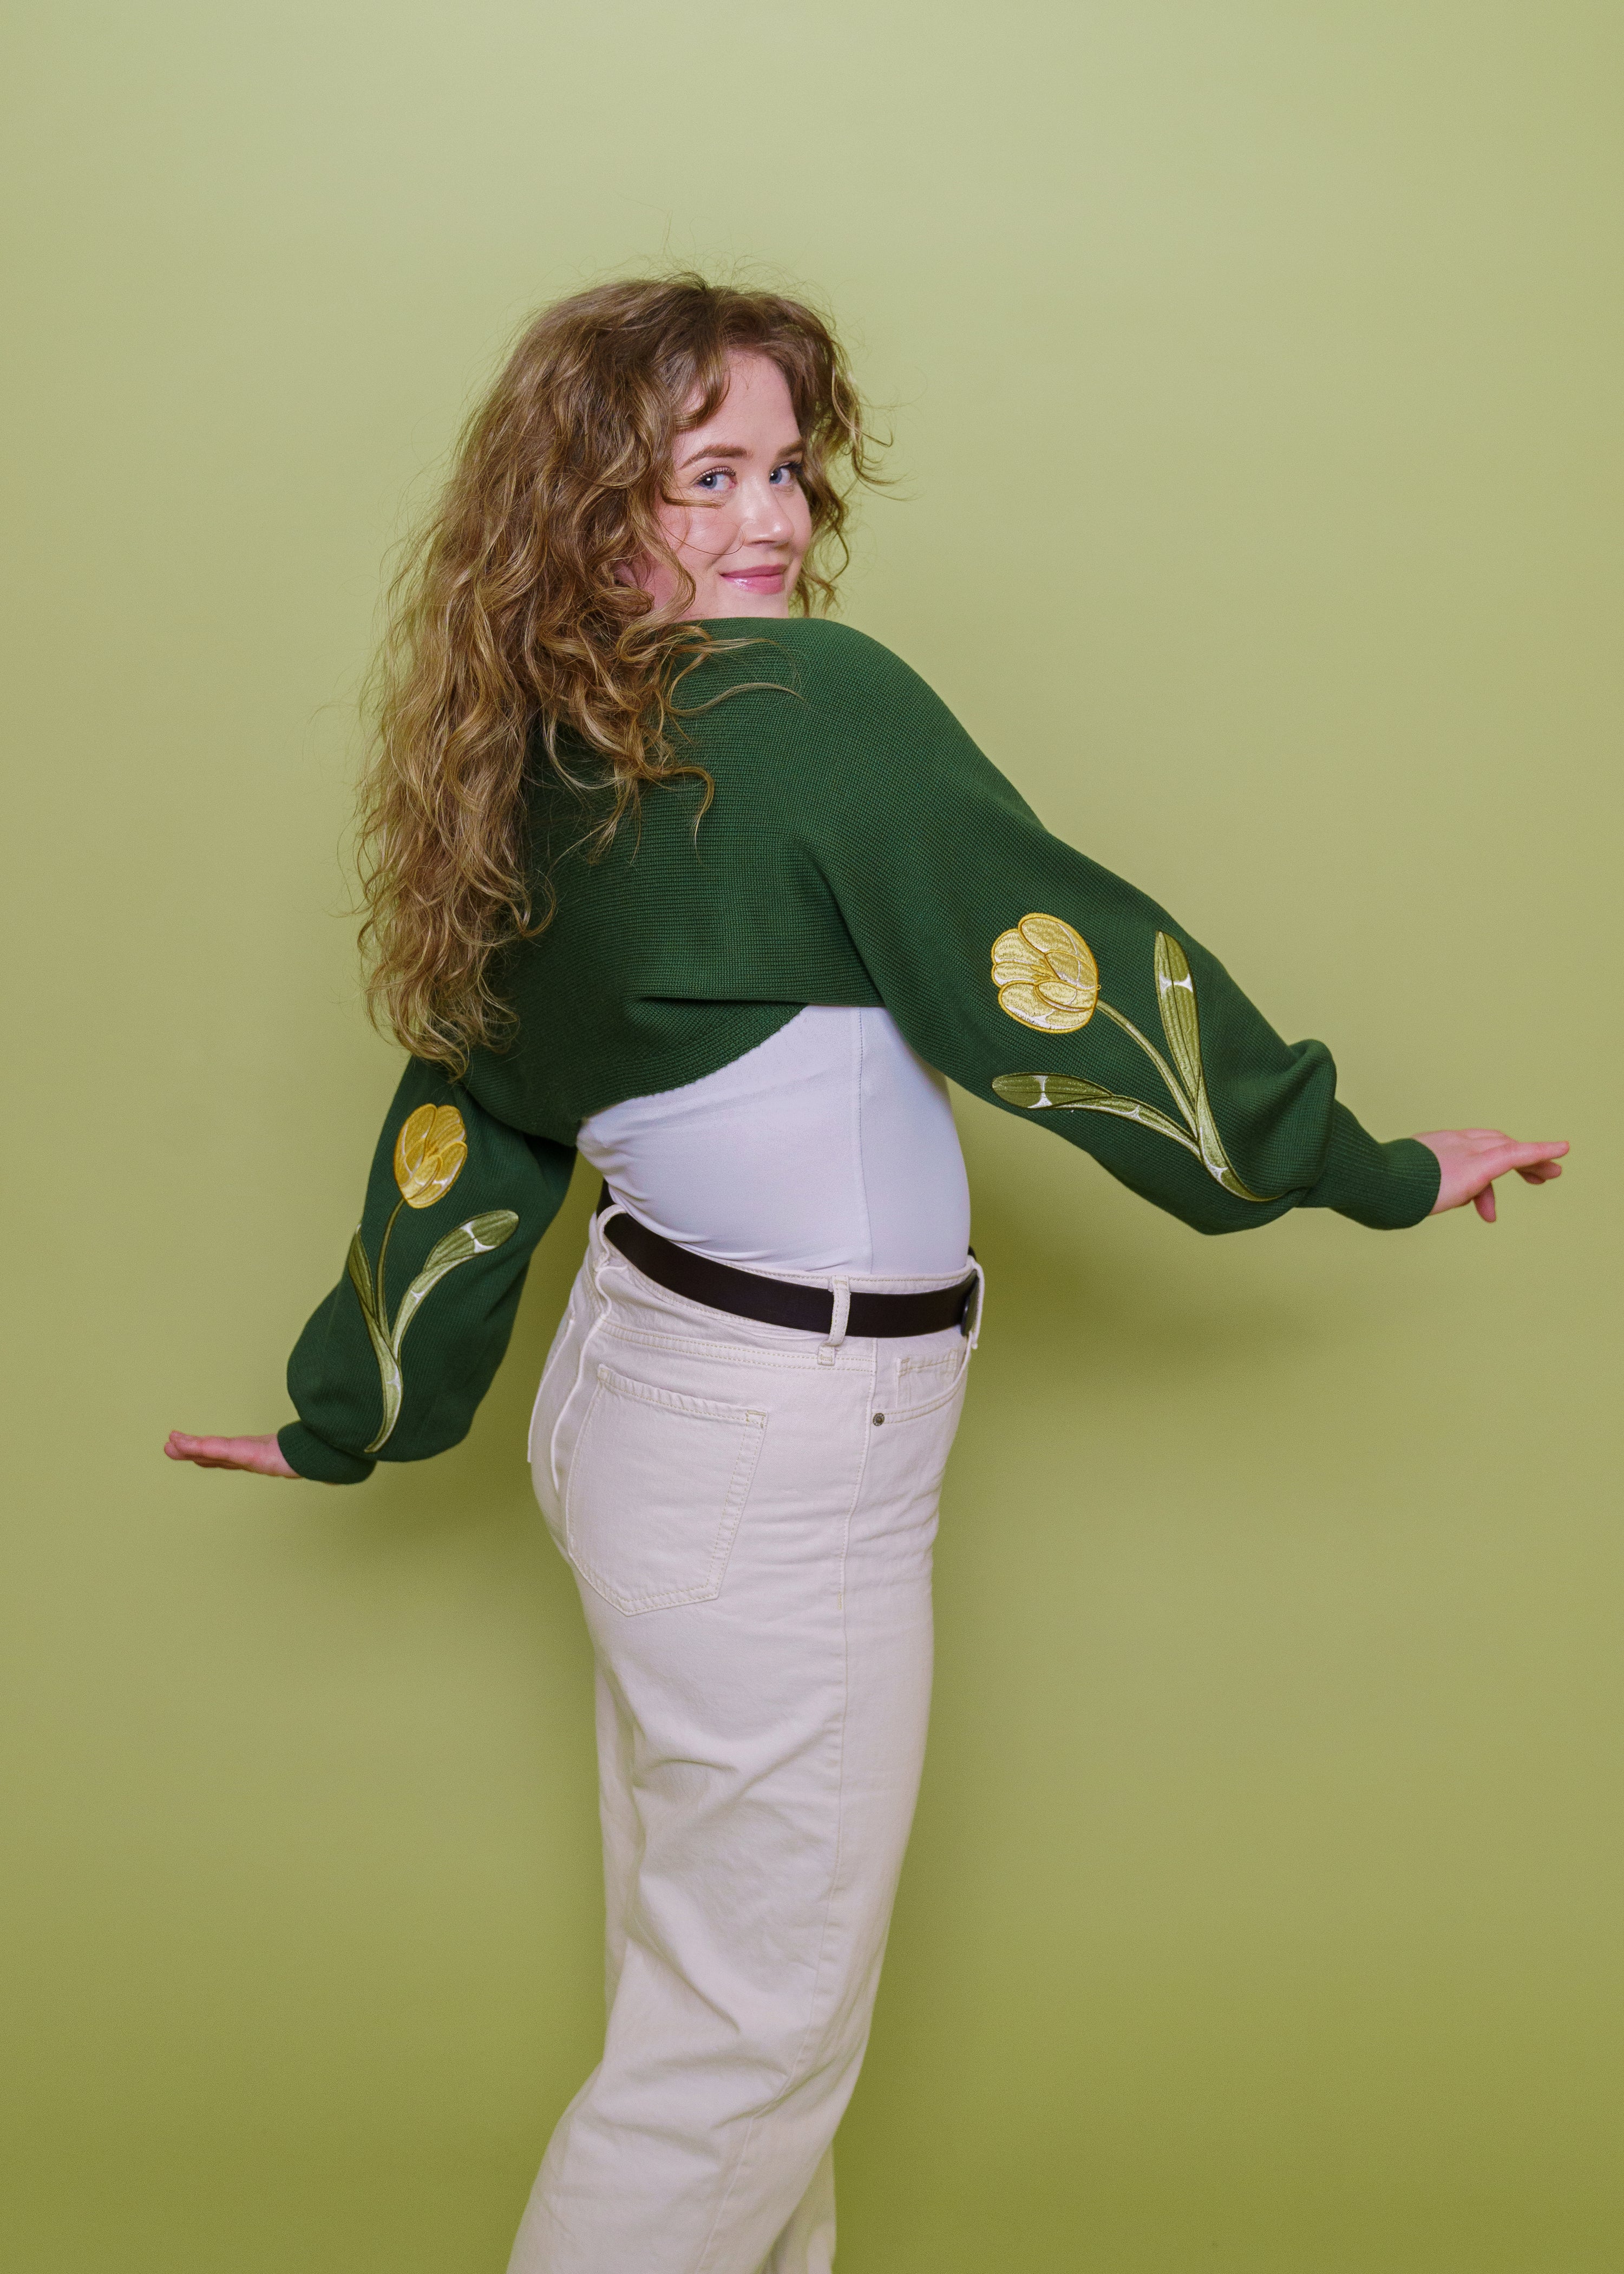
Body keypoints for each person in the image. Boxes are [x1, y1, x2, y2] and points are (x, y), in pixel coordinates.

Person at [166, 276, 1567, 2273]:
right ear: (584, 509)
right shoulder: (812, 708)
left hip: (657, 1425)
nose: (773, 520)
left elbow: (473, 1115)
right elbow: (1054, 964)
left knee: (727, 2012)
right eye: (708, 476)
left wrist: (356, 1407)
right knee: (747, 2051)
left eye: (789, 470)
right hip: (772, 1458)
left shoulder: (536, 758)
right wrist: (1365, 1169)